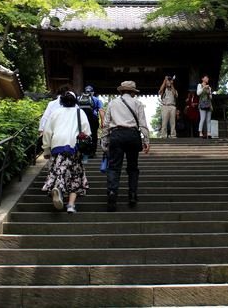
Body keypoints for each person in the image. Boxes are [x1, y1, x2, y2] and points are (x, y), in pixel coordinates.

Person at [102, 80, 150, 211]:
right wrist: (146, 140)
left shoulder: (112, 103)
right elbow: (143, 123)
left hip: (116, 135)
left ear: (122, 91)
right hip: (132, 135)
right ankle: (132, 194)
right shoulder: (138, 103)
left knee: (114, 167)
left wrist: (104, 140)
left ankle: (112, 192)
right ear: (133, 92)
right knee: (133, 167)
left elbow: (106, 123)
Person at [41, 91, 91, 214]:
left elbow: (47, 132)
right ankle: (71, 205)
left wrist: (46, 149)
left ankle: (58, 189)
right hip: (74, 147)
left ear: (62, 101)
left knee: (58, 170)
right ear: (75, 101)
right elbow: (87, 132)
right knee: (75, 174)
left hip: (57, 145)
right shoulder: (80, 112)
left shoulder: (55, 113)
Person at [77, 85, 103, 159]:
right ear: (93, 92)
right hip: (93, 119)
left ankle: (82, 151)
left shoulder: (79, 98)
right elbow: (101, 111)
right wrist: (102, 122)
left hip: (81, 119)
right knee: (94, 135)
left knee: (82, 134)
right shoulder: (97, 99)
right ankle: (92, 152)